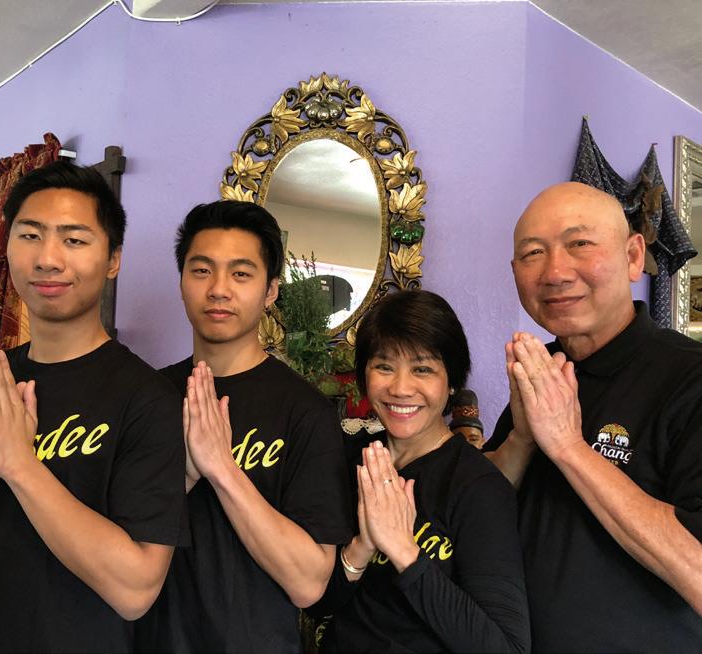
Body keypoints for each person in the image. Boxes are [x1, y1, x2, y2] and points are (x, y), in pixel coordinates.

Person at [0, 161, 188, 653]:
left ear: (113, 259)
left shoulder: (146, 399)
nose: (48, 259)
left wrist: (18, 464)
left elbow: (136, 589)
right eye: (30, 235)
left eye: (74, 239)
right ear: (8, 248)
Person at [485, 181, 702, 651]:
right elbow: (479, 507)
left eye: (580, 243)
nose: (555, 272)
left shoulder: (689, 377)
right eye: (532, 253)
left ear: (633, 256)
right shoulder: (543, 369)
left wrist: (568, 447)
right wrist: (521, 440)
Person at [136, 200, 355, 653]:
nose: (219, 289)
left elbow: (309, 583)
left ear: (270, 290)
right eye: (202, 271)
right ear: (181, 282)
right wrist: (184, 474)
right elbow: (113, 538)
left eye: (240, 273)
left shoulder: (305, 411)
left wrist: (222, 469)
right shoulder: (146, 397)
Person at [308, 289, 530, 653]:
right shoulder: (349, 458)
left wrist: (403, 550)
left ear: (452, 381)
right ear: (364, 376)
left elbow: (505, 647)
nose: (400, 388)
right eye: (384, 366)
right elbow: (318, 604)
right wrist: (362, 547)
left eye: (422, 369)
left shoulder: (478, 487)